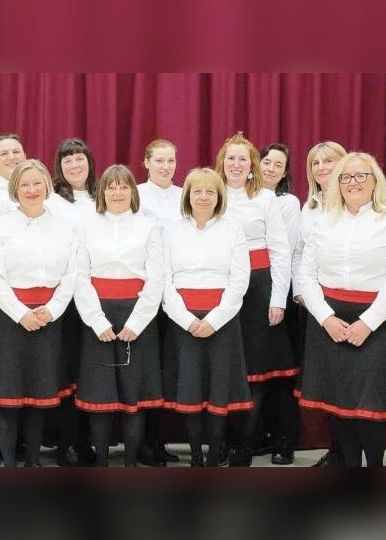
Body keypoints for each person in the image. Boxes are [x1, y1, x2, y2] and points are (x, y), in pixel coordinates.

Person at [297, 152, 386, 467]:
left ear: (375, 181)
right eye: (346, 177)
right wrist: (325, 318)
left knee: (371, 407)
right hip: (330, 319)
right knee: (339, 404)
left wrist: (368, 323)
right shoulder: (324, 221)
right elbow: (305, 275)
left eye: (361, 175)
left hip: (376, 319)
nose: (353, 182)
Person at [0, 160, 77, 467]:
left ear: (47, 186)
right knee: (8, 396)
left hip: (48, 317)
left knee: (38, 395)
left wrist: (53, 309)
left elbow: (71, 274)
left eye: (37, 184)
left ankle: (33, 462)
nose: (32, 190)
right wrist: (21, 314)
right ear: (14, 189)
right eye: (25, 185)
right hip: (10, 318)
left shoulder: (64, 228)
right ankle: (8, 463)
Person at [161, 167, 253, 467]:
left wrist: (214, 319)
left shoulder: (233, 229)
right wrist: (187, 320)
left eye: (209, 191)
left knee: (219, 391)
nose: (203, 197)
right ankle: (196, 458)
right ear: (187, 195)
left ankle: (214, 456)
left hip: (222, 322)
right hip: (182, 320)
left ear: (219, 196)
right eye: (197, 191)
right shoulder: (171, 230)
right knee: (190, 391)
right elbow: (164, 280)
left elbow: (240, 280)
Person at [74, 164, 164, 466]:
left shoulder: (148, 226)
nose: (117, 192)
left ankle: (129, 465)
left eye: (124, 186)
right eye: (111, 187)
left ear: (132, 192)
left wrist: (136, 323)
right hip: (97, 316)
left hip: (137, 317)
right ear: (102, 191)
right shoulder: (86, 226)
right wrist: (97, 321)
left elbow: (156, 279)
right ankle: (101, 464)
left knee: (133, 397)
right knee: (101, 395)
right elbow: (80, 277)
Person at [214, 132, 294, 466]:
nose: (236, 164)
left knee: (256, 372)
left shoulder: (265, 199)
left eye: (243, 159)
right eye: (230, 158)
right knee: (225, 369)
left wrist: (278, 299)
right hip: (218, 287)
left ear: (252, 166)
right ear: (222, 162)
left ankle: (244, 445)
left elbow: (280, 250)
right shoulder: (209, 193)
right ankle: (222, 443)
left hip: (259, 289)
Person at [294, 141, 348, 467]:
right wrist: (301, 290)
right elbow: (301, 253)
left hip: (348, 302)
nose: (323, 168)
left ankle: (349, 454)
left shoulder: (357, 203)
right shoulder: (309, 206)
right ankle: (336, 451)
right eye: (316, 163)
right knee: (327, 382)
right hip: (315, 306)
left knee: (348, 381)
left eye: (329, 161)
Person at [45, 138, 99, 466]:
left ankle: (87, 442)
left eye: (80, 159)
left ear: (90, 163)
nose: (74, 165)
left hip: (95, 297)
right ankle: (65, 443)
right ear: (59, 167)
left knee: (89, 371)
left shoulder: (102, 197)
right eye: (67, 161)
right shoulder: (51, 201)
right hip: (63, 297)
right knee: (64, 371)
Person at [134, 138, 182, 466]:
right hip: (145, 293)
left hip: (178, 292)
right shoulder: (135, 194)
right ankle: (141, 442)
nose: (166, 167)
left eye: (171, 161)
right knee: (145, 369)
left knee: (167, 370)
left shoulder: (185, 196)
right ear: (146, 163)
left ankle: (160, 440)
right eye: (159, 161)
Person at [255, 142, 302, 465]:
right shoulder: (240, 196)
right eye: (266, 162)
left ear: (285, 173)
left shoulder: (286, 203)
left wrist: (279, 296)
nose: (270, 168)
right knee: (253, 370)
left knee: (280, 372)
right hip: (247, 292)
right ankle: (255, 436)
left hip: (276, 289)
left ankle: (284, 439)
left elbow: (284, 251)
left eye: (278, 165)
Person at [0, 133, 26, 215]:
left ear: (25, 156)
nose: (11, 157)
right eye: (4, 154)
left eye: (16, 152)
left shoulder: (39, 185)